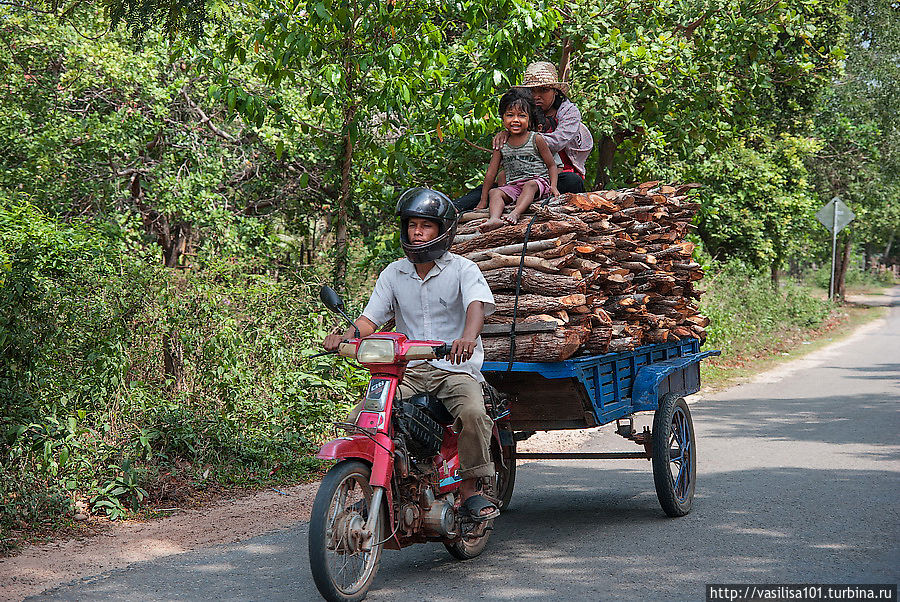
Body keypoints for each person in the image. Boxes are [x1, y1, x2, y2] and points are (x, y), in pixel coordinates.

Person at [322, 187, 500, 521]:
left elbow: (476, 304)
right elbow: (369, 319)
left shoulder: (462, 269)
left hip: (454, 369)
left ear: (442, 231)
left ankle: (472, 489)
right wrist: (345, 337)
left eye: (426, 226)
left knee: (474, 413)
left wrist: (468, 337)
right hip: (409, 371)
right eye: (412, 225)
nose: (417, 232)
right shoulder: (394, 273)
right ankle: (376, 486)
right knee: (362, 418)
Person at [452, 60, 593, 212]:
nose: (537, 96)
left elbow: (557, 142)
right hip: (520, 180)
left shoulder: (569, 112)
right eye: (533, 91)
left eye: (544, 90)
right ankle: (451, 209)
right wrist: (510, 134)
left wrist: (518, 137)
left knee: (573, 181)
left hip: (557, 177)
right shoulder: (523, 112)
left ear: (555, 91)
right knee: (488, 190)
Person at [475, 89, 559, 231]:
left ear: (529, 119)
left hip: (537, 183)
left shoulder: (536, 139)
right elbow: (491, 173)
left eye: (521, 116)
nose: (515, 120)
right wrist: (483, 201)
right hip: (514, 186)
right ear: (503, 118)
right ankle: (495, 218)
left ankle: (516, 212)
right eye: (510, 115)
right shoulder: (501, 143)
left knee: (530, 185)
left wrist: (553, 186)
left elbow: (551, 165)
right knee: (494, 193)